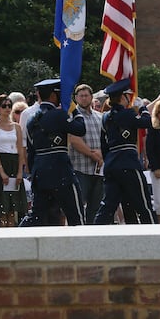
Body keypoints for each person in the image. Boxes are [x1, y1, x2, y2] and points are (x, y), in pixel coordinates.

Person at [20, 79, 86, 226]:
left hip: (40, 173)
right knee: (76, 216)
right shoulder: (58, 115)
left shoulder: (32, 120)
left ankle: (15, 238)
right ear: (53, 96)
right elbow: (81, 128)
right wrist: (74, 109)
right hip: (61, 172)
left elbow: (31, 152)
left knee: (36, 217)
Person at [94, 78, 157, 225]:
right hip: (128, 163)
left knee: (108, 205)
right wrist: (142, 108)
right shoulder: (128, 114)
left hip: (111, 164)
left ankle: (94, 232)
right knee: (143, 204)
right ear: (123, 96)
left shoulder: (105, 117)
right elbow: (147, 122)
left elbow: (104, 145)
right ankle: (154, 234)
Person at [68, 84, 105, 224]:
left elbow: (106, 139)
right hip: (80, 168)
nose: (84, 98)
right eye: (81, 96)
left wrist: (102, 153)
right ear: (76, 98)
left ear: (91, 97)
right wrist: (92, 154)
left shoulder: (100, 117)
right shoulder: (73, 117)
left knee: (96, 207)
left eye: (86, 95)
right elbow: (74, 140)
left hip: (99, 169)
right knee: (78, 204)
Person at [0, 94, 27, 227]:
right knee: (2, 204)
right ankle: (2, 229)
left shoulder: (17, 126)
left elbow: (20, 149)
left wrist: (20, 172)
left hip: (14, 162)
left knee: (13, 205)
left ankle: (12, 228)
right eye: (4, 106)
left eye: (9, 105)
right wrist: (1, 172)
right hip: (0, 163)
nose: (7, 108)